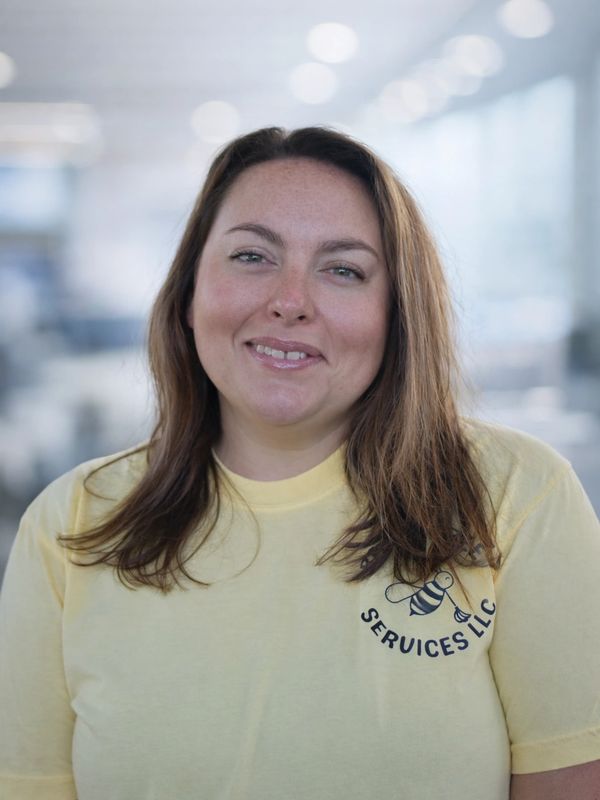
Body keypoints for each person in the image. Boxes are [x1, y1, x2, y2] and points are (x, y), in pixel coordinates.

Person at [0, 126, 599, 800]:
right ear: (190, 294)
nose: (290, 300)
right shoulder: (72, 523)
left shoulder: (516, 495)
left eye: (343, 269)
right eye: (253, 256)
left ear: (396, 313)